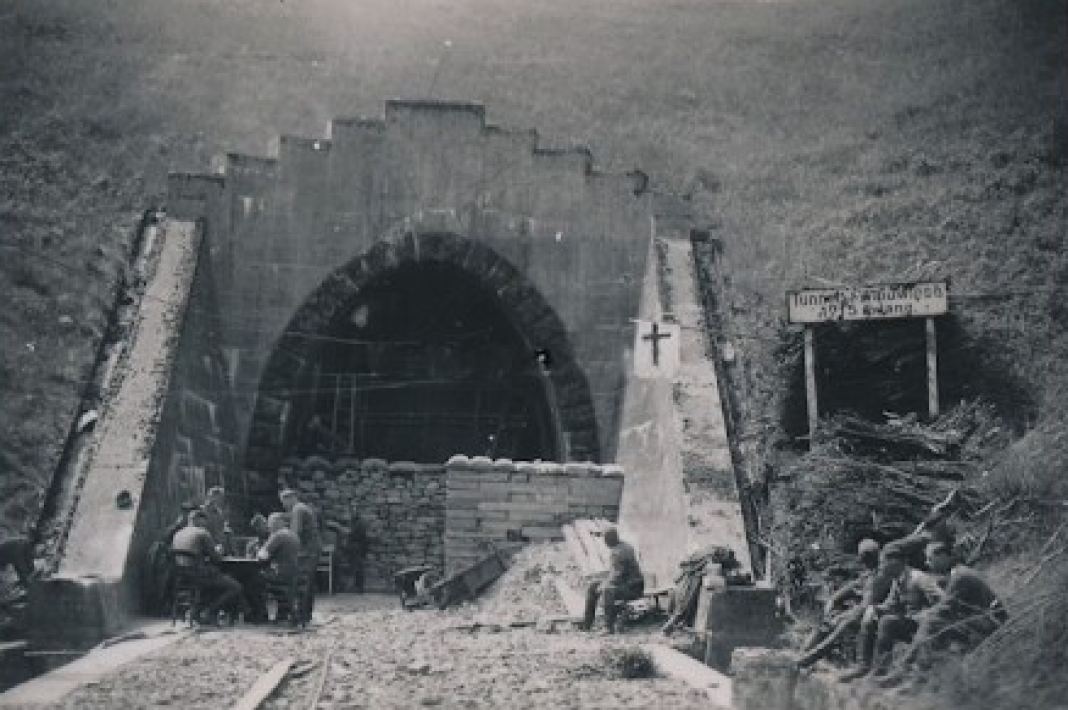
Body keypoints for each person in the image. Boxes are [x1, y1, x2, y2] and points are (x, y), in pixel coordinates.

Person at [876, 541, 1007, 689]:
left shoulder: (960, 576)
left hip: (989, 625)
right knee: (932, 623)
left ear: (943, 556)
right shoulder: (959, 573)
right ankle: (912, 675)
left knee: (932, 623)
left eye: (930, 558)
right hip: (982, 622)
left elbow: (945, 607)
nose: (927, 563)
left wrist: (922, 616)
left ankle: (909, 674)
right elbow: (951, 606)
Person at [798, 538, 892, 669]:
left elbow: (866, 605)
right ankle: (803, 653)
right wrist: (832, 603)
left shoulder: (881, 577)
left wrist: (842, 615)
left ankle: (806, 660)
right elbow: (847, 590)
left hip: (873, 615)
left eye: (865, 557)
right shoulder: (868, 574)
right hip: (860, 612)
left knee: (841, 624)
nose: (863, 561)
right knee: (826, 622)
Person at [170, 508, 246, 625]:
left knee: (215, 578)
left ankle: (197, 612)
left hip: (181, 575)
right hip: (198, 574)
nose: (206, 524)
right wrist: (219, 550)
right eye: (204, 521)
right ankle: (209, 611)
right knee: (235, 587)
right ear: (199, 520)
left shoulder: (178, 533)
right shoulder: (202, 533)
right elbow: (216, 558)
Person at [578, 527, 644, 634]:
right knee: (593, 585)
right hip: (628, 584)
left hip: (633, 588)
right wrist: (601, 583)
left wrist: (603, 585)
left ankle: (608, 627)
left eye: (605, 540)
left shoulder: (618, 552)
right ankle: (587, 624)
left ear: (608, 541)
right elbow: (616, 573)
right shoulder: (623, 546)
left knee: (607, 590)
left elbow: (616, 577)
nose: (604, 542)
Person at [279, 488, 322, 620]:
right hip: (313, 549)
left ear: (290, 498)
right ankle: (306, 613)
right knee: (309, 582)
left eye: (284, 502)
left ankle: (299, 615)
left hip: (308, 551)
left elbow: (295, 533)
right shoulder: (302, 508)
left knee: (302, 582)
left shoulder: (297, 510)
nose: (284, 506)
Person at [256, 513, 303, 624]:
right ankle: (281, 614)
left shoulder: (278, 536)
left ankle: (259, 614)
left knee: (253, 581)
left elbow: (262, 556)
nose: (269, 526)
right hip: (292, 575)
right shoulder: (293, 535)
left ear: (277, 523)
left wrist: (259, 550)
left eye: (270, 523)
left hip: (279, 574)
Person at [202, 487, 232, 555]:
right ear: (211, 497)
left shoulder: (219, 512)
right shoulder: (202, 511)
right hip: (207, 543)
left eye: (221, 498)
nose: (220, 500)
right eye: (218, 497)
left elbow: (222, 527)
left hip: (219, 544)